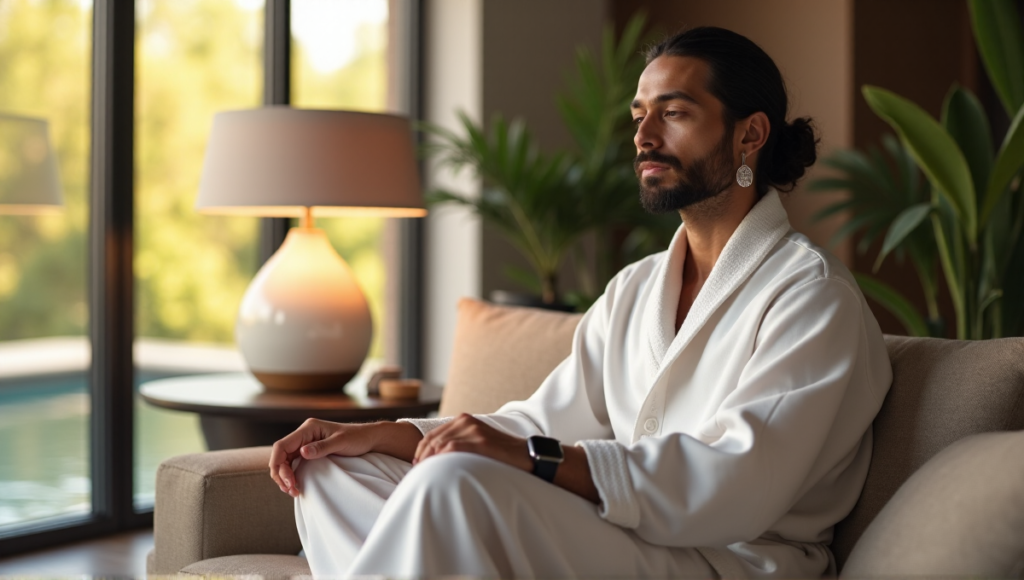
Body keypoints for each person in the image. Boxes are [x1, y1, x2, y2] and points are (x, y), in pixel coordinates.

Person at [268, 26, 892, 579]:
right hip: (626, 535)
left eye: (674, 113)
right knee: (330, 470)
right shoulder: (636, 289)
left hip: (732, 559)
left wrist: (526, 458)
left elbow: (735, 479)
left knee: (454, 482)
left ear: (749, 134)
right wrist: (387, 434)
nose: (644, 136)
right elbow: (540, 424)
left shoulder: (812, 297)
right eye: (639, 115)